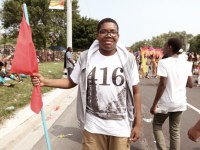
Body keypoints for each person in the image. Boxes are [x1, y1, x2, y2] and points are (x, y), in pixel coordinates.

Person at [32, 18, 141, 150]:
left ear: (118, 36)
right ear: (97, 35)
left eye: (113, 32)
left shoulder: (128, 60)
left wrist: (138, 123)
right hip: (93, 127)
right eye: (104, 31)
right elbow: (71, 81)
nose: (109, 35)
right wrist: (45, 81)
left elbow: (136, 92)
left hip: (120, 129)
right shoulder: (86, 57)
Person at [150, 38, 193, 150]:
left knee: (157, 125)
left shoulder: (164, 62)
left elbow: (162, 85)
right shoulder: (187, 63)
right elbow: (191, 84)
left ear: (169, 46)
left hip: (166, 103)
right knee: (175, 131)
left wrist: (154, 104)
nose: (163, 48)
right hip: (180, 103)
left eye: (164, 45)